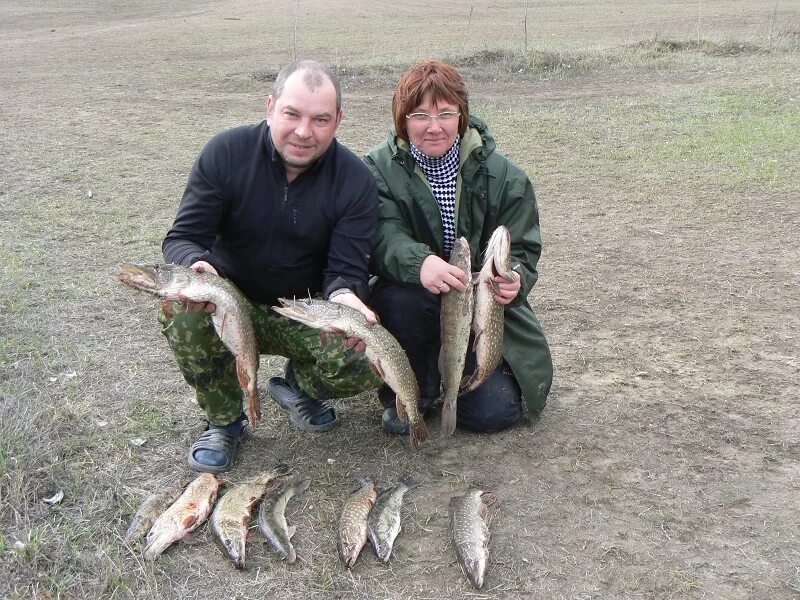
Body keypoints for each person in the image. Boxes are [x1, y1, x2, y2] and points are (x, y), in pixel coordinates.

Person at [159, 60, 381, 473]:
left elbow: (345, 269)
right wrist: (197, 267)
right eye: (292, 114)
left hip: (305, 309)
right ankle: (224, 421)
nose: (303, 132)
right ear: (270, 106)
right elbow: (182, 238)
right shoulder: (225, 153)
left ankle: (297, 386)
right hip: (229, 301)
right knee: (181, 312)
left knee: (370, 360)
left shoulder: (356, 180)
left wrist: (347, 297)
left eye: (320, 120)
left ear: (338, 121)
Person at [365, 60, 553, 434]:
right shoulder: (376, 170)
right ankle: (414, 389)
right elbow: (380, 235)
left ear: (462, 117)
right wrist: (419, 263)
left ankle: (457, 380)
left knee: (493, 413)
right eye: (420, 115)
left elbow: (524, 249)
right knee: (400, 298)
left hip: (481, 310)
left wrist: (515, 278)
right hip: (414, 301)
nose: (433, 127)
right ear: (402, 120)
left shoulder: (505, 176)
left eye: (445, 114)